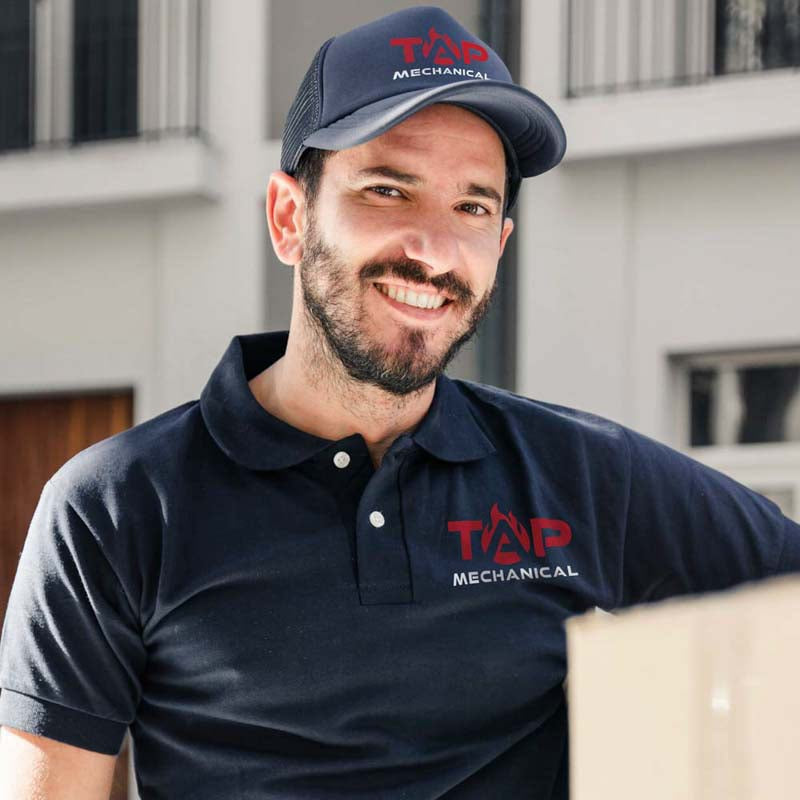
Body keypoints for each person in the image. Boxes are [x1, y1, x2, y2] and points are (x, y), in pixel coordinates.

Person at [1, 6, 799, 799]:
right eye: (388, 190)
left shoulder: (580, 476)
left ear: (500, 243)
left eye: (473, 207)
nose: (433, 251)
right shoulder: (115, 507)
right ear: (290, 217)